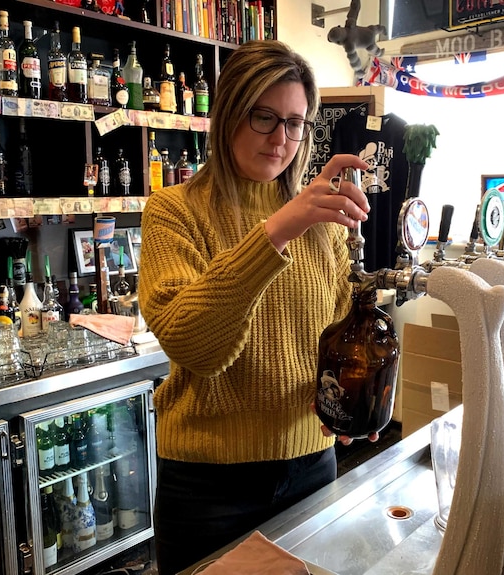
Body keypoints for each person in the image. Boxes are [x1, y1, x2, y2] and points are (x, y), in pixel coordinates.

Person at [139, 39, 372, 573]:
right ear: (227, 115)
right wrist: (277, 230)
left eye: (296, 123)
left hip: (312, 464)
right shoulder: (174, 212)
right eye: (264, 117)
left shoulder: (322, 221)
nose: (281, 139)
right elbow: (194, 344)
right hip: (207, 488)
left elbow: (337, 336)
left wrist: (358, 398)